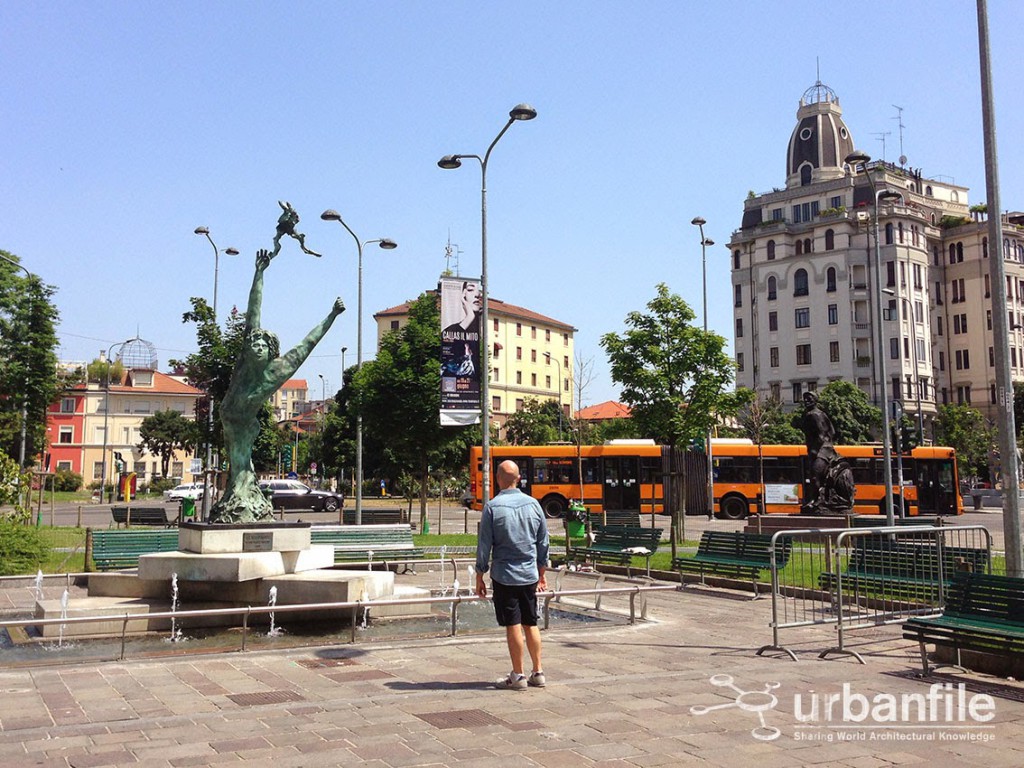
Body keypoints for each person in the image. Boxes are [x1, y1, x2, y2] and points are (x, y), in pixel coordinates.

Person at [475, 460, 550, 691]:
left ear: (498, 478)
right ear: (518, 478)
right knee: (531, 623)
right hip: (529, 574)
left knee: (513, 625)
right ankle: (538, 672)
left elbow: (484, 544)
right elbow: (543, 542)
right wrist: (542, 572)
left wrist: (480, 574)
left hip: (505, 575)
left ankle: (517, 675)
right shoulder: (534, 505)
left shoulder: (492, 507)